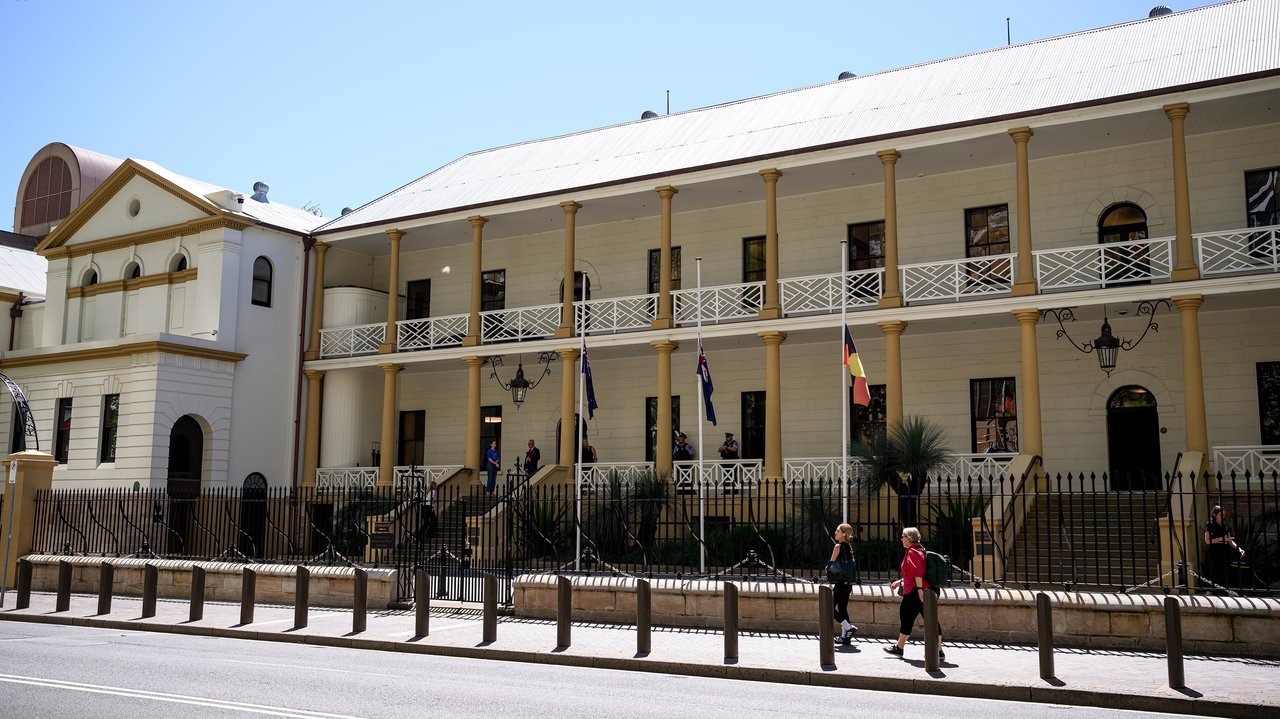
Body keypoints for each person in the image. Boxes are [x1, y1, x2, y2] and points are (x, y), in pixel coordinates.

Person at [885, 526, 944, 660]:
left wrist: (919, 591)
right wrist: (900, 581)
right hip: (927, 589)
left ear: (909, 538)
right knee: (931, 620)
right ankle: (939, 650)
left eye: (903, 537)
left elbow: (917, 573)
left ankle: (899, 648)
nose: (901, 539)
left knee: (906, 616)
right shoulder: (920, 550)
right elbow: (914, 573)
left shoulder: (912, 552)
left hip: (915, 591)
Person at [1203, 505, 1244, 594]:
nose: (1223, 517)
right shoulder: (1210, 524)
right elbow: (1207, 541)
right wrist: (1221, 538)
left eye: (1224, 515)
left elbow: (1230, 540)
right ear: (1214, 514)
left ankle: (1228, 592)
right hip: (1215, 551)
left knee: (1226, 572)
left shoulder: (1225, 524)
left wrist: (1239, 549)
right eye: (1221, 515)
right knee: (1215, 573)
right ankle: (1210, 592)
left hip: (1225, 551)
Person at [830, 523, 858, 645]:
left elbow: (831, 564)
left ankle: (848, 627)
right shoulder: (849, 547)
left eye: (838, 531)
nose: (835, 532)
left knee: (829, 608)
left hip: (840, 582)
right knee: (842, 608)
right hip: (848, 582)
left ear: (844, 534)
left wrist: (827, 567)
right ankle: (844, 637)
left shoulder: (838, 546)